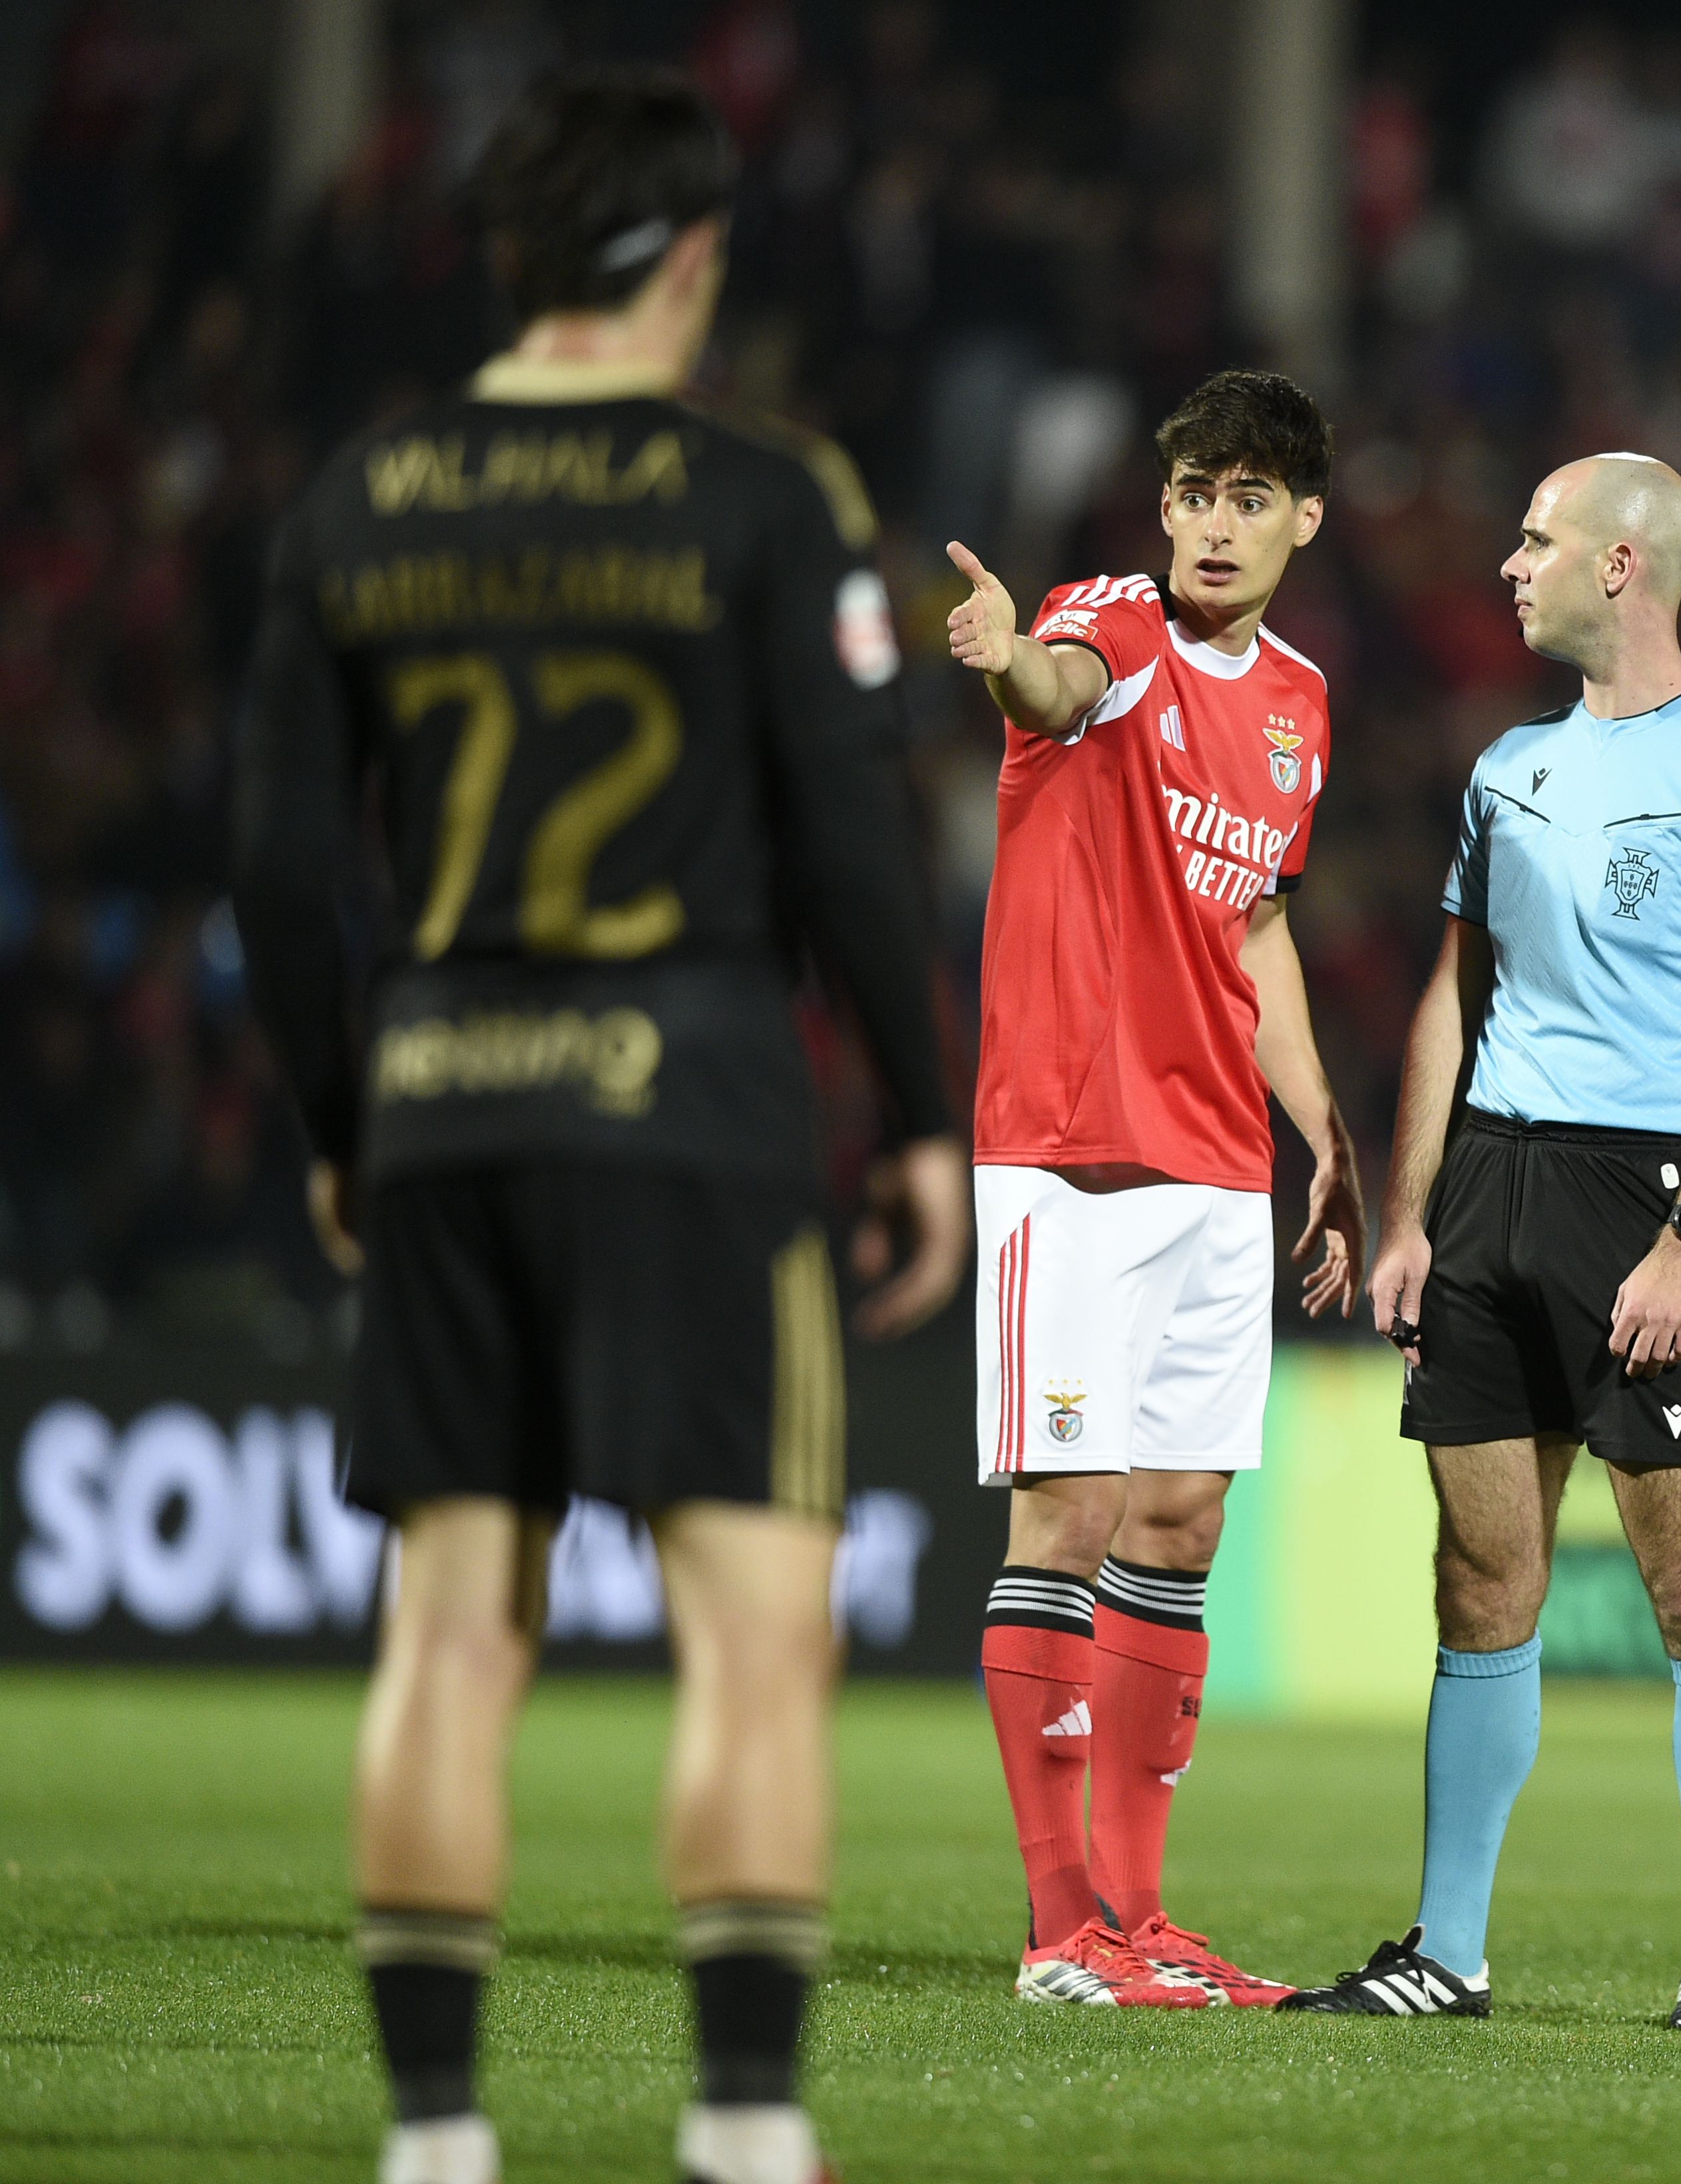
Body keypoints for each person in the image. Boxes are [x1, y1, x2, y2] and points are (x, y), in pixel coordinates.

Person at [228, 68, 968, 2184]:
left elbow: (283, 875)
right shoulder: (764, 489)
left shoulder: (359, 499)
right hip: (697, 1103)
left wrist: (341, 1117)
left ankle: (437, 2139)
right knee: (755, 1623)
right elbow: (850, 831)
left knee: (449, 1627)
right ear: (697, 261)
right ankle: (741, 2125)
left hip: (447, 1095)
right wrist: (920, 1112)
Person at [1282, 453, 1681, 2032]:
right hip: (1488, 1195)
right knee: (1479, 1575)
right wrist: (1406, 1215)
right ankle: (1447, 1950)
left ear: (1625, 567)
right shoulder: (1504, 766)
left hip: (1638, 1195)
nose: (1509, 564)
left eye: (1536, 540)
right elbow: (1458, 996)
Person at [943, 368, 1365, 2011]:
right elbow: (1057, 693)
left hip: (1216, 1160)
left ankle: (1140, 1913)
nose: (1211, 523)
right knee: (1073, 1509)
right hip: (1067, 1147)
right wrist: (1007, 663)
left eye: (1248, 498)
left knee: (1181, 1521)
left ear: (1301, 520)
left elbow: (1254, 920)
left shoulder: (1300, 702)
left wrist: (1322, 1127)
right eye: (1194, 491)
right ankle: (1062, 1931)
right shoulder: (1107, 619)